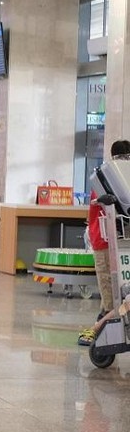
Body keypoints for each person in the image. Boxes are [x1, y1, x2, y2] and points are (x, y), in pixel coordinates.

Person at [79, 139, 130, 346]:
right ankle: (100, 333)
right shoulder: (104, 177)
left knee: (120, 294)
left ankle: (105, 330)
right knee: (110, 295)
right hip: (104, 241)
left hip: (122, 243)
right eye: (125, 158)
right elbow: (101, 203)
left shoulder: (122, 178)